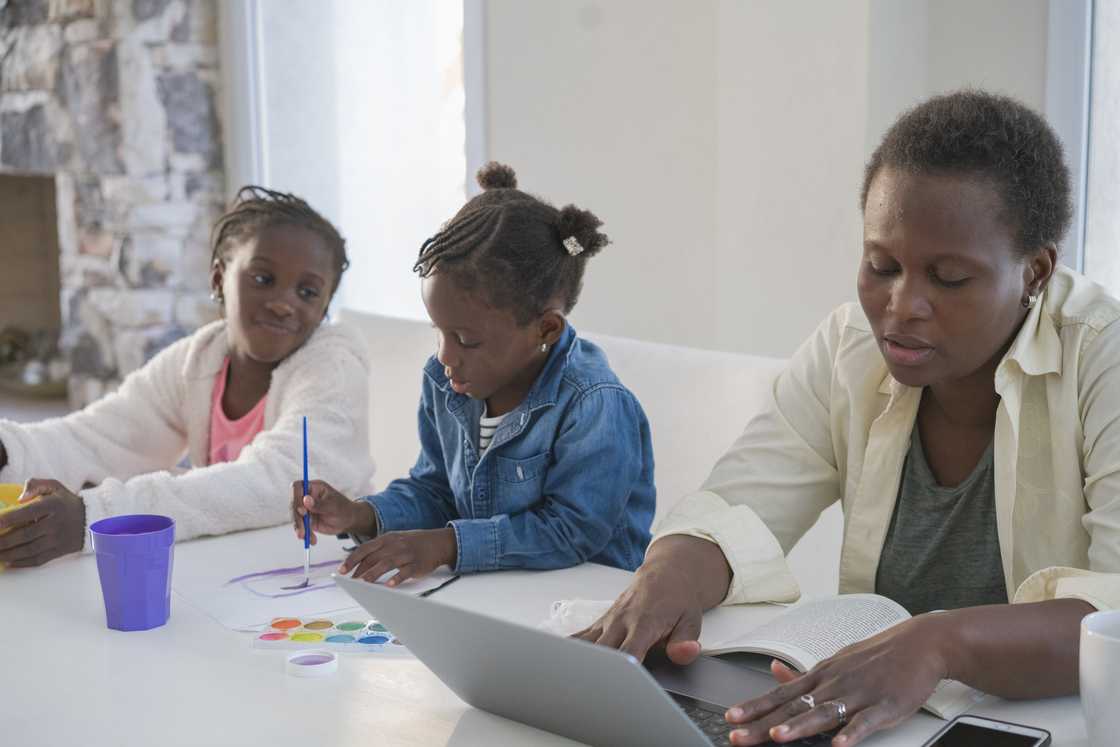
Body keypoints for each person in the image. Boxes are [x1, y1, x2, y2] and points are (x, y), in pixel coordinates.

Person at [578, 90, 1120, 746]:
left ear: (1034, 272)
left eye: (948, 278)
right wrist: (669, 570)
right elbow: (743, 499)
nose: (903, 305)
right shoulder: (849, 348)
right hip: (873, 726)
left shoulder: (1102, 357)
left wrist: (938, 644)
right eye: (881, 265)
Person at [293, 162, 655, 584]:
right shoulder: (444, 381)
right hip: (490, 598)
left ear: (546, 329)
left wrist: (447, 545)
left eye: (466, 340)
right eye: (439, 333)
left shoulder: (595, 402)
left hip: (588, 606)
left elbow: (573, 532)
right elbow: (436, 490)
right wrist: (359, 514)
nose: (446, 357)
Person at [0, 186, 374, 567]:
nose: (283, 303)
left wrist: (94, 515)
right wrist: (7, 449)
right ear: (218, 280)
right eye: (263, 279)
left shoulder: (333, 367)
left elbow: (276, 482)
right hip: (239, 570)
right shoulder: (201, 359)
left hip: (329, 575)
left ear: (325, 306)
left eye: (307, 292)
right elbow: (98, 437)